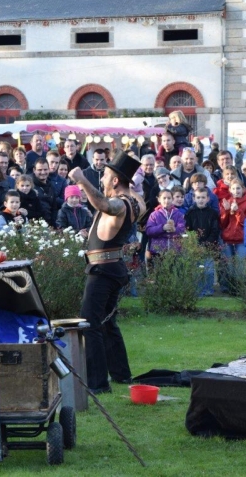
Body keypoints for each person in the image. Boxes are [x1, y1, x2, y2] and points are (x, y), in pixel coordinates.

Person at [68, 151, 145, 394]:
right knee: (107, 323)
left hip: (103, 271)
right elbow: (111, 199)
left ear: (114, 181)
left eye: (105, 177)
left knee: (89, 324)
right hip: (111, 268)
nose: (101, 181)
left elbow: (103, 204)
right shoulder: (137, 202)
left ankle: (98, 384)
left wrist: (82, 179)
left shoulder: (121, 204)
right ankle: (121, 374)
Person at [185, 188, 220, 296]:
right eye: (198, 197)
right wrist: (194, 244)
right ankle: (197, 291)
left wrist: (205, 245)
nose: (201, 200)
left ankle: (208, 290)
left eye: (203, 197)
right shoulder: (190, 213)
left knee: (208, 270)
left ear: (208, 199)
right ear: (194, 198)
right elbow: (188, 230)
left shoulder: (213, 213)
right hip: (194, 246)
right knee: (196, 269)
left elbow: (215, 231)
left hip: (209, 246)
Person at [145, 189, 185, 258]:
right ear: (159, 199)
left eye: (169, 198)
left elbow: (182, 229)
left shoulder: (178, 214)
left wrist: (174, 229)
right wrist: (162, 228)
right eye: (164, 198)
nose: (167, 200)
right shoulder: (154, 214)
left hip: (175, 251)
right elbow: (149, 231)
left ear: (172, 199)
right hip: (158, 250)